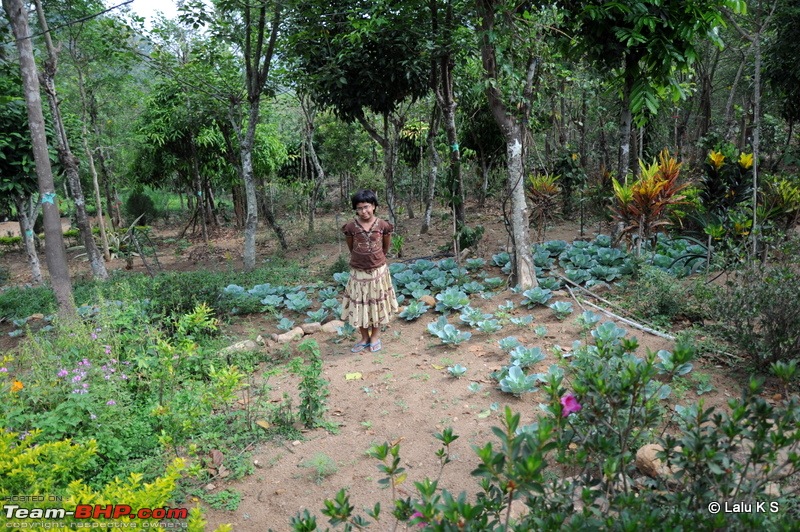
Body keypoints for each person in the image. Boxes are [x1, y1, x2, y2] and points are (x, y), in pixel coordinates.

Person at [341, 189, 398, 352]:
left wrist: (378, 259)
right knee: (359, 305)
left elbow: (385, 246)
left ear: (373, 206)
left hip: (377, 272)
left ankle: (375, 337)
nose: (363, 211)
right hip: (358, 273)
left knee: (377, 304)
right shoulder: (351, 227)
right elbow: (351, 247)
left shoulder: (382, 225)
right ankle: (364, 337)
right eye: (359, 208)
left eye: (366, 207)